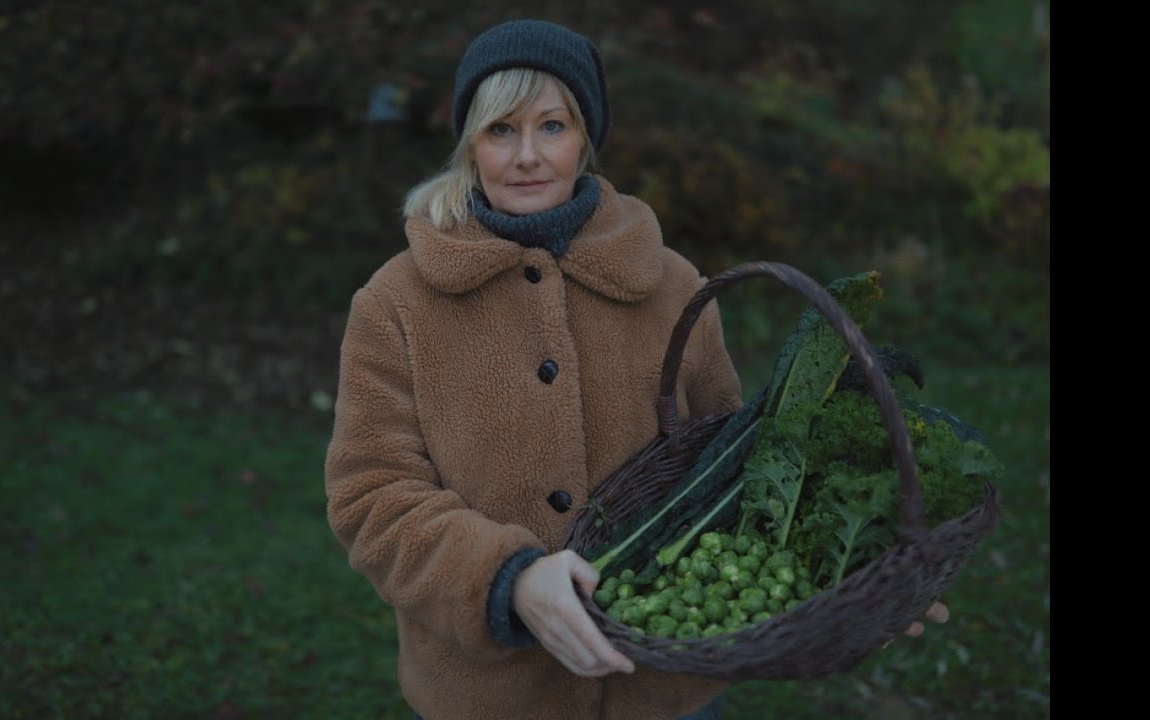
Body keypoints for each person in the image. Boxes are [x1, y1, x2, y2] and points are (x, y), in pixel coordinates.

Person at [324, 18, 947, 720]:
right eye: (501, 129)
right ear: (469, 142)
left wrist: (861, 577)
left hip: (665, 689)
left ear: (586, 137)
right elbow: (371, 496)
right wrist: (505, 581)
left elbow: (738, 469)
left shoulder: (674, 284)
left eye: (552, 126)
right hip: (492, 698)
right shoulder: (396, 303)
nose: (526, 155)